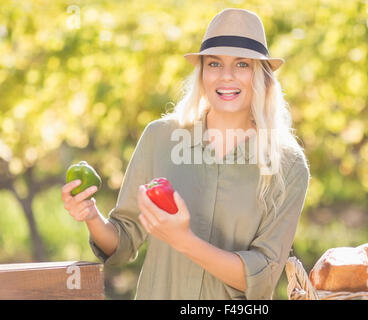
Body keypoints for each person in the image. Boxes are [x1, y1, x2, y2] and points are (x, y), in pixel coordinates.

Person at [61, 8, 310, 300]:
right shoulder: (160, 138)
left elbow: (263, 276)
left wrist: (183, 241)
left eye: (242, 64)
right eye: (214, 64)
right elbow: (123, 240)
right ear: (202, 72)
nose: (226, 77)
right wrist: (91, 215)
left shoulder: (288, 165)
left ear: (262, 76)